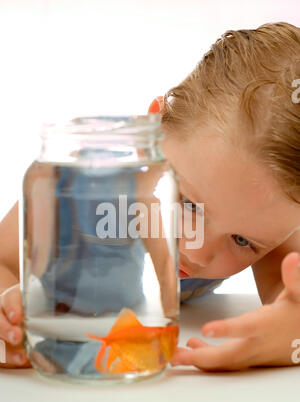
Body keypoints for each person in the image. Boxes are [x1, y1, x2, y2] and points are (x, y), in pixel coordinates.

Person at [0, 22, 300, 371]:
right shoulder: (77, 190)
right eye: (188, 204)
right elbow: (3, 261)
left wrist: (291, 334)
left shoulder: (270, 215)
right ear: (155, 131)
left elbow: (289, 297)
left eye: (241, 240)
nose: (197, 251)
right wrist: (8, 310)